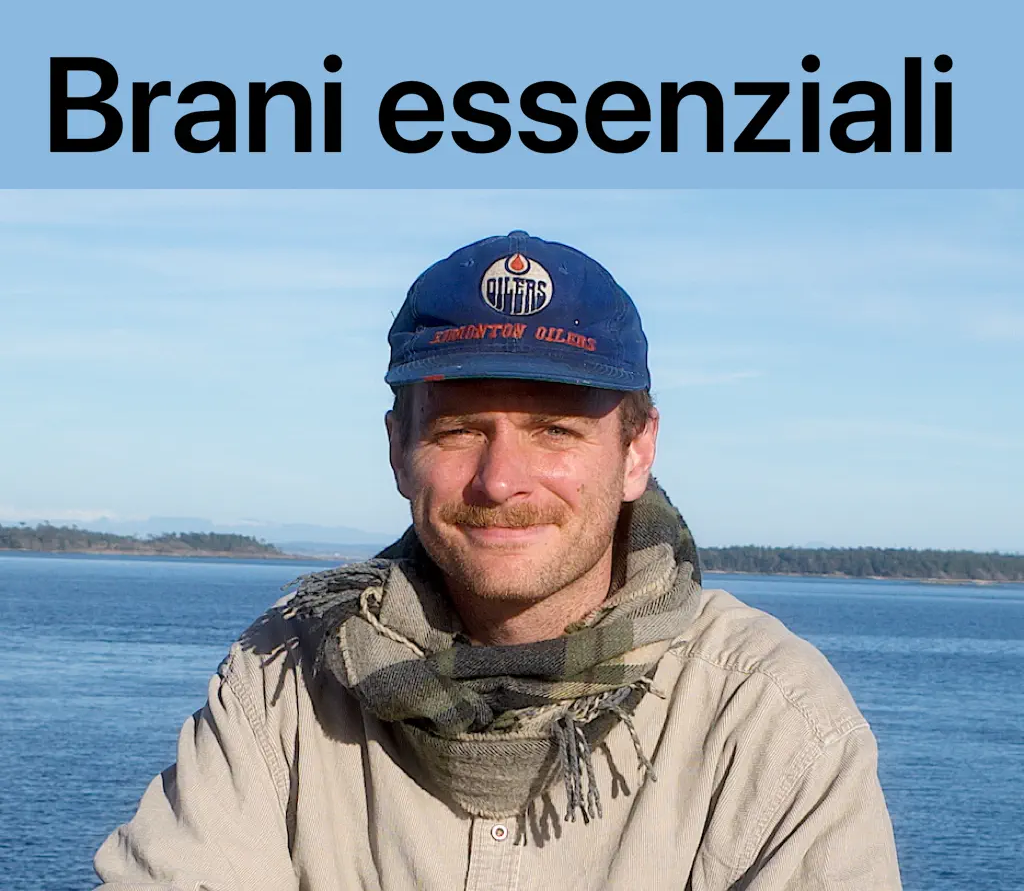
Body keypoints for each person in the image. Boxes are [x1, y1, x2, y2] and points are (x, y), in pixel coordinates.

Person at [94, 230, 903, 890]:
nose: (500, 480)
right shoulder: (286, 680)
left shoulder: (768, 718)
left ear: (637, 451)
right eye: (458, 430)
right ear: (399, 449)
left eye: (555, 430)